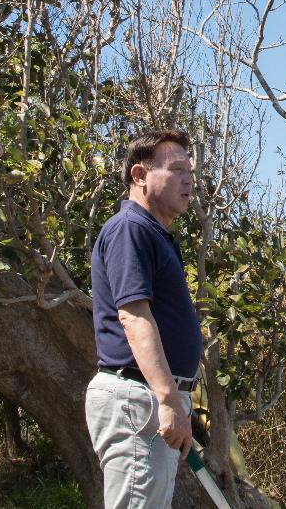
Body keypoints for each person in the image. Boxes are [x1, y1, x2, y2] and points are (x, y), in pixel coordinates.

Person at [86, 130, 204, 508]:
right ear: (139, 176)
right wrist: (169, 399)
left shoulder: (156, 234)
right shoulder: (130, 229)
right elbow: (134, 318)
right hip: (139, 400)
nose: (188, 179)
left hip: (153, 399)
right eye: (177, 169)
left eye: (190, 170)